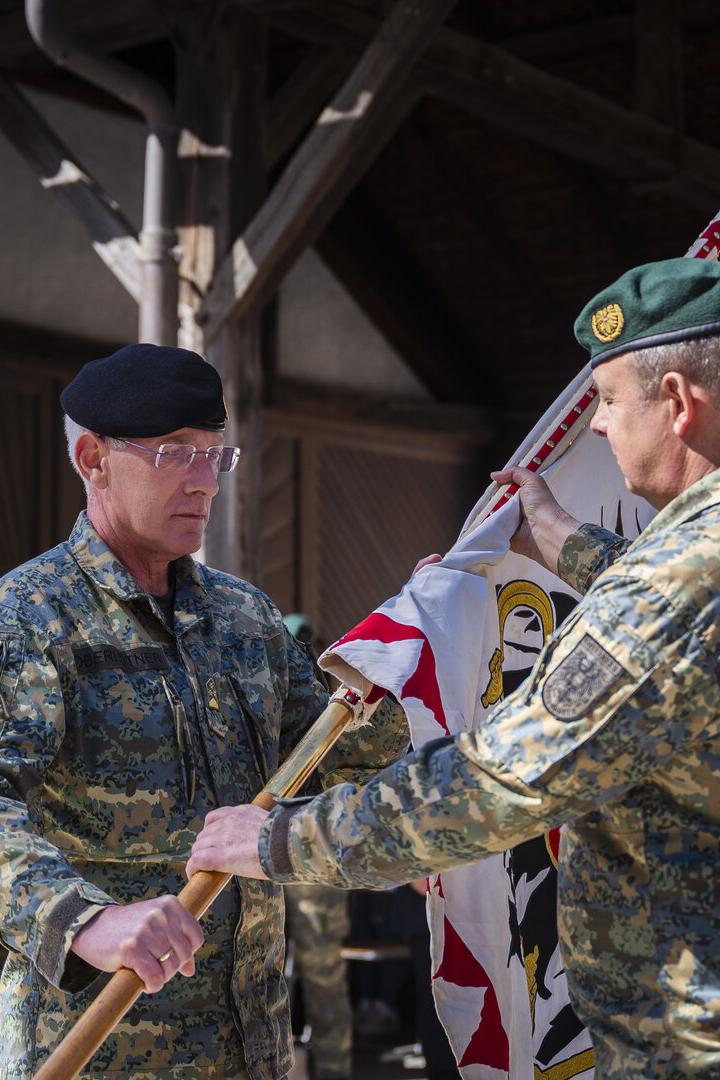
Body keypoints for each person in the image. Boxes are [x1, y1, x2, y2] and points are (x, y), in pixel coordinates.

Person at [187, 257, 720, 1078]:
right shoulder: (684, 569)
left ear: (679, 403)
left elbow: (502, 783)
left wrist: (282, 837)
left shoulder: (679, 577)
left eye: (610, 400)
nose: (602, 426)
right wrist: (563, 541)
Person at [0, 343, 408, 1080]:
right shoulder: (31, 619)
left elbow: (336, 762)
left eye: (216, 456)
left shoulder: (244, 617)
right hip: (106, 1047)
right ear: (93, 458)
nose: (205, 483)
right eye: (174, 455)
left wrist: (416, 656)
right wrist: (82, 920)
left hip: (251, 1045)